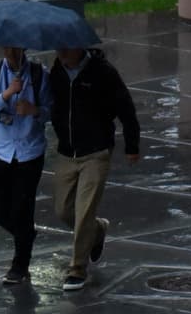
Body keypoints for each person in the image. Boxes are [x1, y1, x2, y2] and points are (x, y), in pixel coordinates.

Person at [48, 47, 141, 291]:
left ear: (79, 47)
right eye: (58, 48)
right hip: (67, 152)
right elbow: (52, 105)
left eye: (65, 47)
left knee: (84, 212)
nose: (61, 52)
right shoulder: (57, 71)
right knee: (63, 210)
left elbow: (125, 108)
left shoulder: (102, 72)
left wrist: (132, 145)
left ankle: (77, 268)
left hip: (96, 153)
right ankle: (97, 230)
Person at [0, 46, 52, 285]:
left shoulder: (39, 74)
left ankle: (20, 265)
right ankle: (26, 236)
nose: (11, 53)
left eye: (15, 48)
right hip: (2, 151)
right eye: (7, 48)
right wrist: (7, 93)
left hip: (29, 153)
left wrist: (34, 110)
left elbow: (51, 111)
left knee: (23, 208)